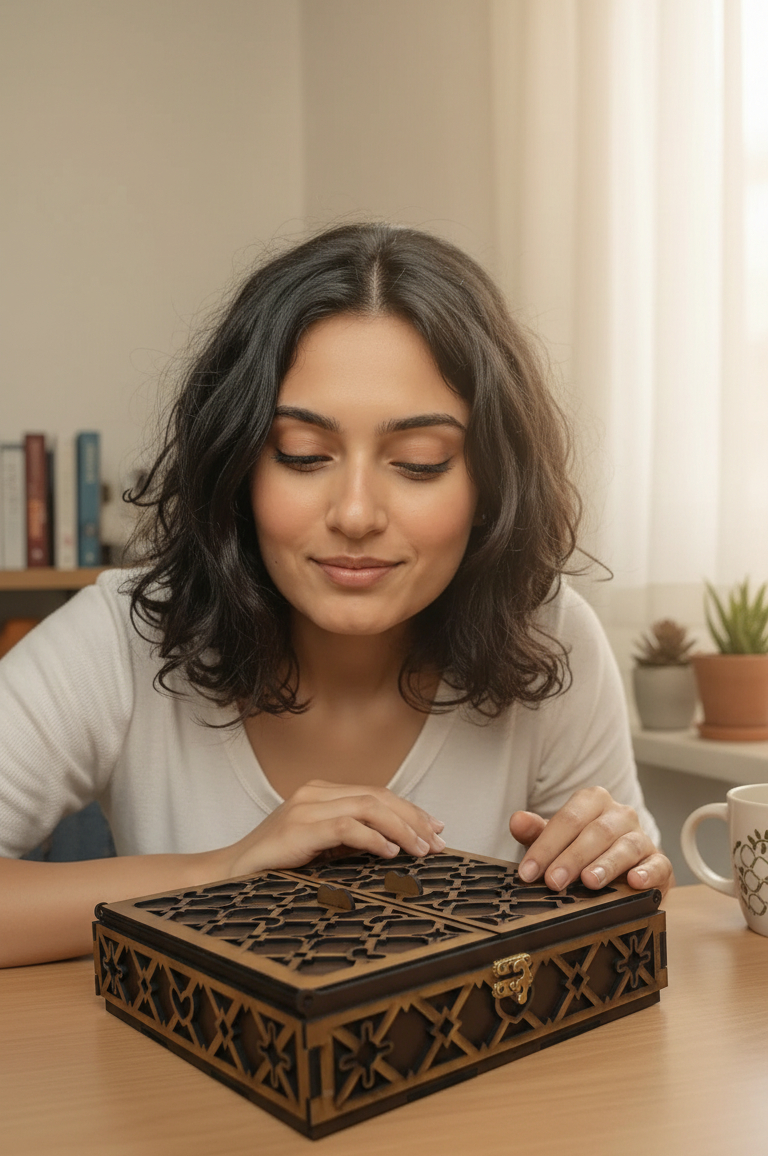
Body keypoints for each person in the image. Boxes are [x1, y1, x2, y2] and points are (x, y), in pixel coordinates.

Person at [0, 223, 672, 967]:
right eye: (304, 455)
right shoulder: (119, 634)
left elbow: (622, 905)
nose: (355, 514)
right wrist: (218, 874)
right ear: (239, 468)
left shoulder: (546, 635)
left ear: (489, 484)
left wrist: (619, 868)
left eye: (419, 463)